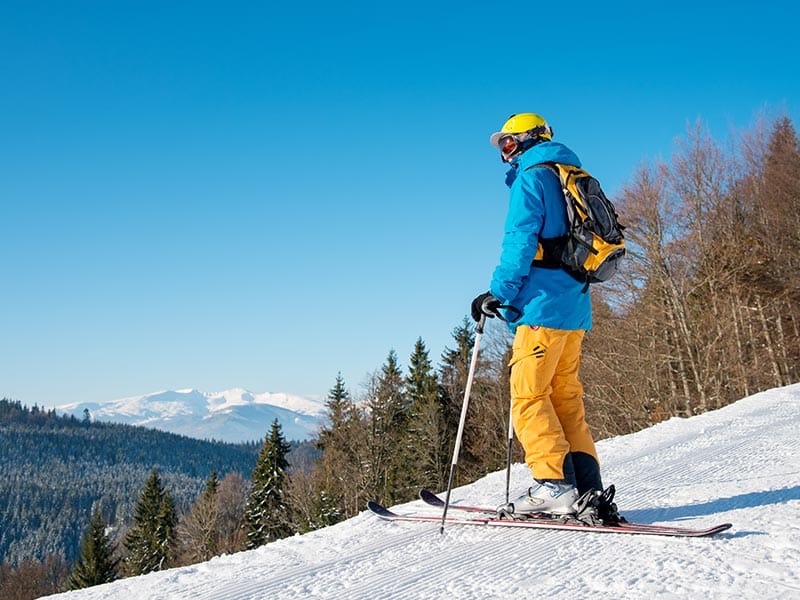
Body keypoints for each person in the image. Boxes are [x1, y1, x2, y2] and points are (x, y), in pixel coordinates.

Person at [471, 113, 604, 517]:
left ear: (530, 140)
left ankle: (553, 485)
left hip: (541, 308)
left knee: (528, 397)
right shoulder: (571, 173)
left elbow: (519, 243)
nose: (505, 154)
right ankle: (586, 489)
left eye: (509, 144)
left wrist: (497, 294)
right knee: (565, 398)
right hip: (574, 308)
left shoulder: (532, 178)